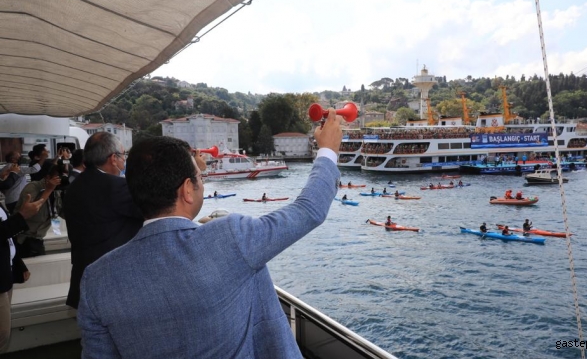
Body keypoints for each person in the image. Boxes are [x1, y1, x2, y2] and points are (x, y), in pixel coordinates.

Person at [76, 108, 342, 358]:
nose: (202, 183)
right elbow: (309, 210)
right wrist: (328, 150)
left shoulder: (96, 279)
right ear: (187, 190)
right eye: (199, 178)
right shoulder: (230, 239)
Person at [63, 132, 145, 310]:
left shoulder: (73, 187)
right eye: (123, 155)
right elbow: (154, 210)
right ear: (113, 158)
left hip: (83, 278)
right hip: (114, 282)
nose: (124, 161)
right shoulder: (116, 187)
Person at [0, 195, 47, 353]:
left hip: (5, 272)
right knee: (2, 333)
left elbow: (7, 239)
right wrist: (22, 216)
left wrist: (18, 264)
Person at [14, 163, 61, 258]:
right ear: (48, 177)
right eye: (57, 178)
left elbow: (60, 212)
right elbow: (30, 211)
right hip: (22, 239)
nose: (59, 182)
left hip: (37, 239)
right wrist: (49, 190)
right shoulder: (33, 187)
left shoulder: (57, 192)